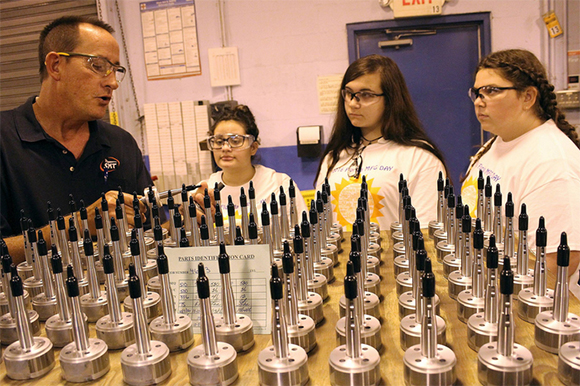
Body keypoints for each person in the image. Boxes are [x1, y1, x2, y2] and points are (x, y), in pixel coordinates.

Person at [1, 16, 150, 264]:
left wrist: (189, 213)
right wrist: (77, 225)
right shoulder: (6, 140)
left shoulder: (120, 143)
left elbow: (149, 229)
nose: (112, 82)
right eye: (98, 65)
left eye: (116, 70)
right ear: (55, 65)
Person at [460, 49, 580, 281]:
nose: (478, 101)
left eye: (491, 91)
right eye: (476, 92)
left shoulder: (553, 164)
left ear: (528, 97)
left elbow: (556, 266)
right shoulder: (501, 138)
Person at [314, 54, 447, 230]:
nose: (353, 103)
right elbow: (320, 225)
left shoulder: (419, 157)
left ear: (391, 100)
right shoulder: (335, 155)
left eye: (366, 95)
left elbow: (427, 232)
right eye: (349, 93)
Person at [197, 104, 307, 226]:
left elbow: (304, 232)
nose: (225, 148)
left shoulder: (279, 185)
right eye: (218, 141)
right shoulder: (204, 190)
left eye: (235, 141)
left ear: (253, 147)